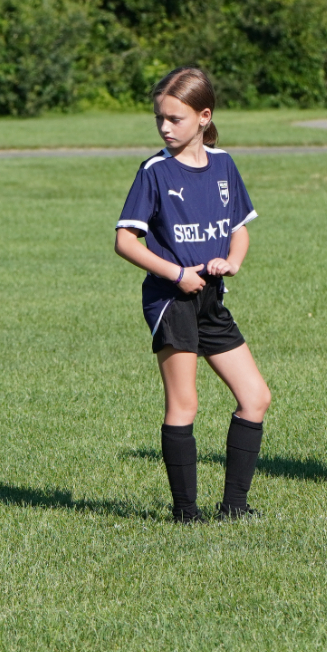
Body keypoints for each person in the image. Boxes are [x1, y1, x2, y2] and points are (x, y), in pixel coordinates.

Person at [114, 68, 271, 522]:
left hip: (211, 299)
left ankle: (234, 507)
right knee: (185, 403)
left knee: (255, 396)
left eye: (175, 119)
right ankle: (186, 513)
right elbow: (125, 240)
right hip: (172, 300)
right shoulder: (155, 171)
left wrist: (232, 262)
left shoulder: (223, 165)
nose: (165, 127)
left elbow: (238, 229)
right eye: (160, 118)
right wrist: (176, 273)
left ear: (204, 117)